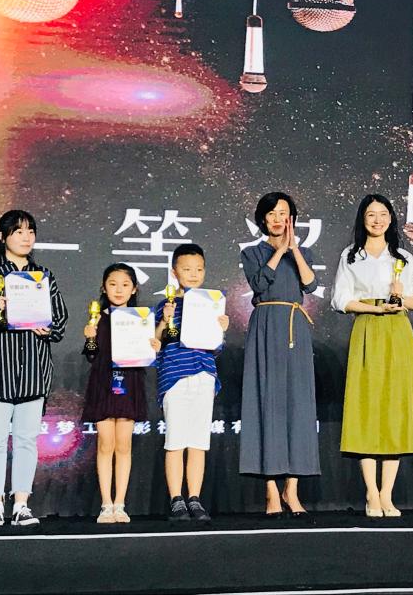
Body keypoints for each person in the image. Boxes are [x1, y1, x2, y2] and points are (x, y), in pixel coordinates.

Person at [0, 209, 68, 527]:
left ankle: (21, 504)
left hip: (32, 369)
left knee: (26, 440)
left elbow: (59, 320)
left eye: (31, 231)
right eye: (19, 231)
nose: (26, 237)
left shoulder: (43, 276)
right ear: (2, 236)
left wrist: (47, 328)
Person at [331, 194, 413, 518]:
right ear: (363, 219)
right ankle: (371, 493)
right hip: (367, 328)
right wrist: (373, 307)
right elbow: (340, 299)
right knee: (367, 408)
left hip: (397, 330)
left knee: (394, 410)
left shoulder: (402, 256)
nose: (378, 220)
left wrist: (402, 300)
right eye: (371, 215)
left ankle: (387, 493)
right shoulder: (351, 255)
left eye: (383, 214)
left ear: (391, 219)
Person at [240, 192, 320, 516]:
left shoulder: (304, 253)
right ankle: (271, 491)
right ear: (263, 219)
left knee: (297, 406)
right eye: (272, 213)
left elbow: (310, 285)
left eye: (283, 213)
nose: (277, 219)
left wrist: (294, 250)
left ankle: (292, 490)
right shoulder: (252, 252)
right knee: (267, 405)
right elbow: (260, 284)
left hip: (294, 328)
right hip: (264, 327)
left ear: (292, 219)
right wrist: (278, 252)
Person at [152, 244, 229, 523]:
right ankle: (176, 499)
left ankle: (194, 498)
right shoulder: (166, 305)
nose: (193, 274)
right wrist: (165, 321)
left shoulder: (211, 304)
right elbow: (155, 342)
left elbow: (216, 348)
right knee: (175, 441)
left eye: (198, 269)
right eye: (186, 269)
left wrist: (221, 330)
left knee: (198, 441)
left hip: (204, 374)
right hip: (174, 375)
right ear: (174, 272)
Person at [81, 263, 157, 524]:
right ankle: (106, 505)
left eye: (125, 285)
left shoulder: (141, 318)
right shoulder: (97, 317)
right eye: (112, 284)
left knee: (124, 445)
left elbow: (147, 356)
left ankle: (120, 504)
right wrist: (90, 337)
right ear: (104, 287)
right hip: (103, 383)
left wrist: (153, 345)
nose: (118, 290)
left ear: (134, 289)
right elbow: (92, 356)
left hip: (129, 383)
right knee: (105, 444)